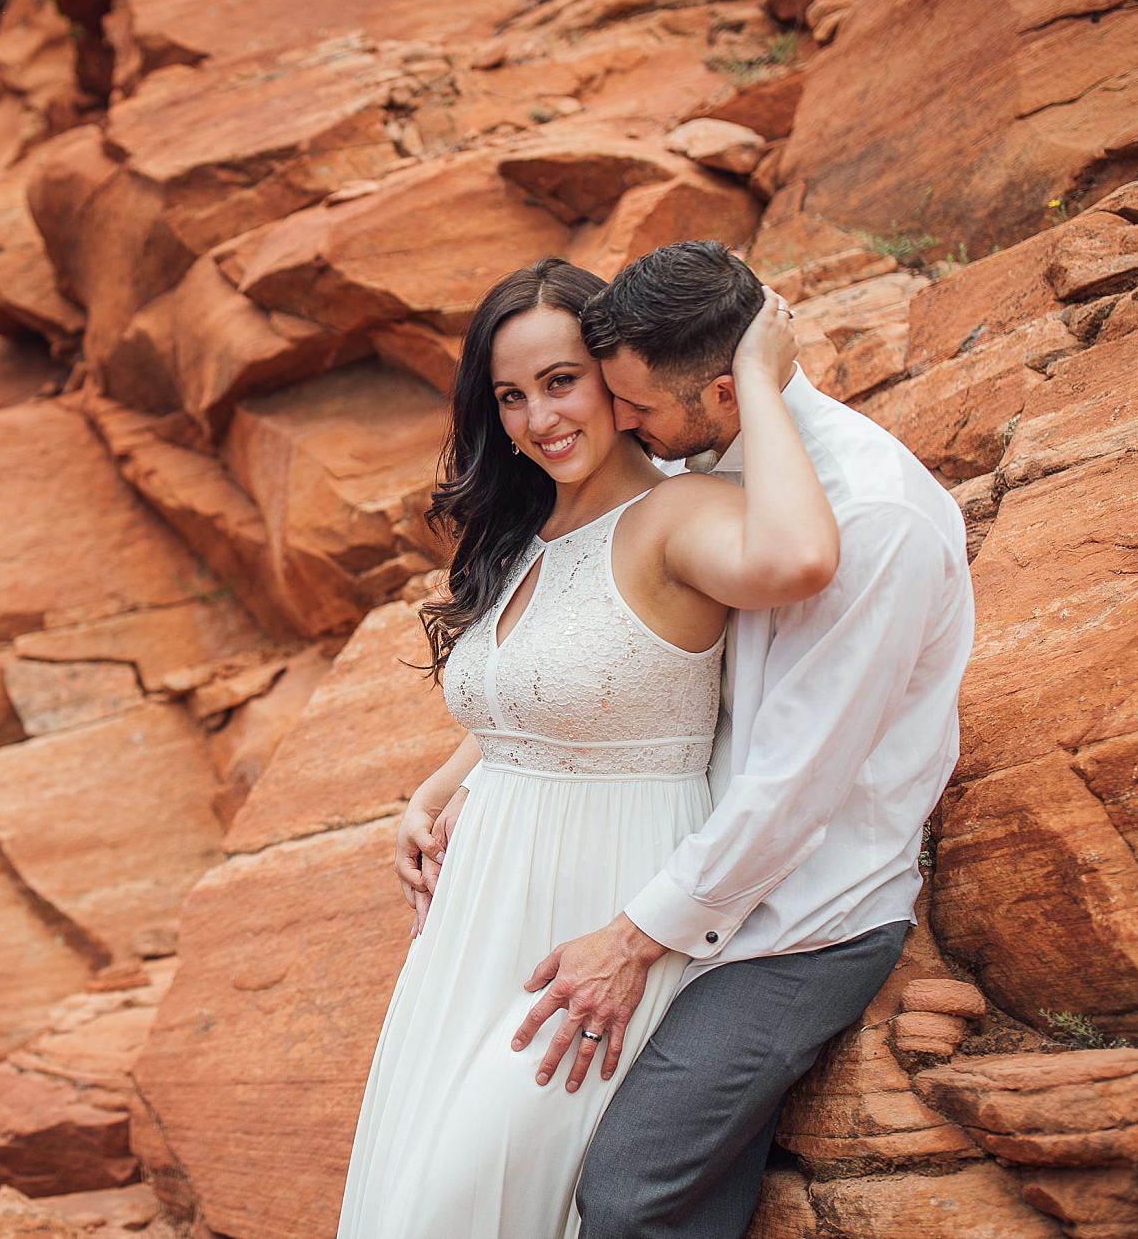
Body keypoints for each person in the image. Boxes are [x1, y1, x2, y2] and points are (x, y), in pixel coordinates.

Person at [416, 240, 975, 1238]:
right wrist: (467, 778)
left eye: (633, 407)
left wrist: (632, 941)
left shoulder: (872, 518)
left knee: (627, 1194)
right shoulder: (715, 465)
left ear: (723, 393)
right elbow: (626, 671)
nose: (618, 426)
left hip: (799, 917)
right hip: (688, 878)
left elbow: (796, 790)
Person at [336, 255, 836, 1239]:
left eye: (561, 382)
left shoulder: (676, 515)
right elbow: (534, 708)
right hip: (475, 926)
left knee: (459, 1204)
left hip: (599, 909)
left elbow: (800, 558)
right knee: (419, 1196)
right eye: (510, 397)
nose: (538, 420)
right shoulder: (529, 526)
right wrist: (433, 792)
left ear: (614, 374)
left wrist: (761, 378)